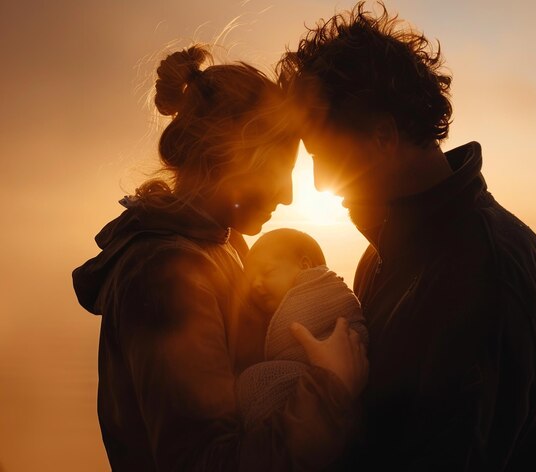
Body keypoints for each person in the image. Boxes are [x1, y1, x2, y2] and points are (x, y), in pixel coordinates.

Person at [277, 3, 536, 471]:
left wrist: (320, 443)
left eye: (323, 154)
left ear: (383, 137)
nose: (316, 182)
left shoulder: (485, 271)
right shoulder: (386, 254)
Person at [72, 45, 368, 471]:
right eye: (279, 171)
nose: (287, 195)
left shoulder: (221, 244)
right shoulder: (166, 275)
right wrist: (330, 390)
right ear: (234, 161)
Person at [237, 228, 368, 430]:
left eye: (267, 271)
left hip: (326, 410)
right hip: (316, 412)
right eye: (250, 279)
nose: (255, 284)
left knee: (253, 382)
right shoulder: (264, 317)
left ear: (305, 266)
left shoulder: (330, 300)